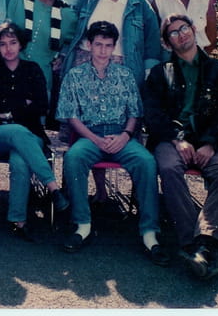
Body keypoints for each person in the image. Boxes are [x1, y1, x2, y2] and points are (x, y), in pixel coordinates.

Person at [56, 21, 167, 265]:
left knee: (147, 162)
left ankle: (150, 233)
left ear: (114, 46)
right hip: (90, 135)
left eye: (108, 45)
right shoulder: (75, 76)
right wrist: (94, 138)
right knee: (73, 158)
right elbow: (71, 116)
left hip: (121, 135)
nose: (103, 50)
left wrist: (125, 135)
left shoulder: (125, 75)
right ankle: (82, 225)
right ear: (89, 45)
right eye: (98, 44)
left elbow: (135, 112)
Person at [143, 14, 218, 279]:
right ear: (167, 42)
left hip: (208, 142)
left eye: (184, 28)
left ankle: (208, 241)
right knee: (169, 168)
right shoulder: (160, 74)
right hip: (171, 141)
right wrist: (177, 139)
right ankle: (191, 242)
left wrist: (210, 144)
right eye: (173, 33)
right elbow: (153, 115)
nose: (181, 34)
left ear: (194, 29)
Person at [0, 22, 68, 241]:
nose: (8, 48)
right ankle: (53, 187)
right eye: (3, 44)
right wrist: (23, 105)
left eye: (13, 43)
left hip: (32, 136)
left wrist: (8, 111)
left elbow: (42, 107)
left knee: (20, 159)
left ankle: (18, 220)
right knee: (17, 131)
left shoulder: (33, 69)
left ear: (21, 44)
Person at [61, 0, 161, 89]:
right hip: (84, 66)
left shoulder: (140, 5)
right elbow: (72, 34)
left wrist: (148, 74)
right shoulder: (89, 0)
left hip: (124, 70)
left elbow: (152, 44)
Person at [7, 0, 76, 126]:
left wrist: (61, 56)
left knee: (36, 124)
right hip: (13, 68)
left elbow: (72, 41)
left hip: (42, 74)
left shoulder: (65, 12)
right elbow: (6, 30)